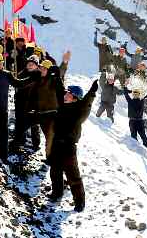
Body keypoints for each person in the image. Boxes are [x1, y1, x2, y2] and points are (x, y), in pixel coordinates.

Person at [34, 79, 98, 211]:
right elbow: (59, 91)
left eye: (68, 93)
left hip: (69, 147)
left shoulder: (79, 112)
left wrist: (91, 92)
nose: (65, 94)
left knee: (73, 175)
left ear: (74, 97)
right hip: (56, 144)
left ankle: (79, 201)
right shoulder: (62, 106)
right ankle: (57, 193)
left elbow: (86, 104)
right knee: (55, 171)